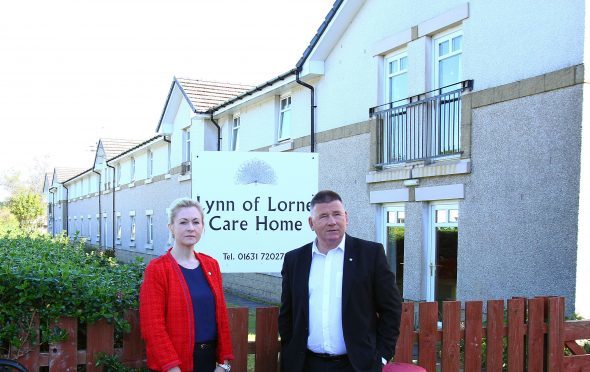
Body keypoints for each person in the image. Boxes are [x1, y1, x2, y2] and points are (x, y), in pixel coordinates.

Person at [278, 190, 402, 372]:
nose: (332, 222)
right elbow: (287, 314)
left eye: (337, 214)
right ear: (311, 223)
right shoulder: (294, 260)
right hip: (306, 364)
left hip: (358, 365)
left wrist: (381, 357)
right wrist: (291, 350)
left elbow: (391, 309)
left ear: (346, 217)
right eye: (324, 216)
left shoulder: (370, 255)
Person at [140, 198, 233, 372]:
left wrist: (224, 363)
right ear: (171, 228)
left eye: (196, 222)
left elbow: (221, 318)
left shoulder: (211, 265)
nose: (191, 227)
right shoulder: (158, 269)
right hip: (175, 363)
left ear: (202, 227)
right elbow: (152, 327)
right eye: (183, 222)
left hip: (209, 360)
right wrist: (171, 367)